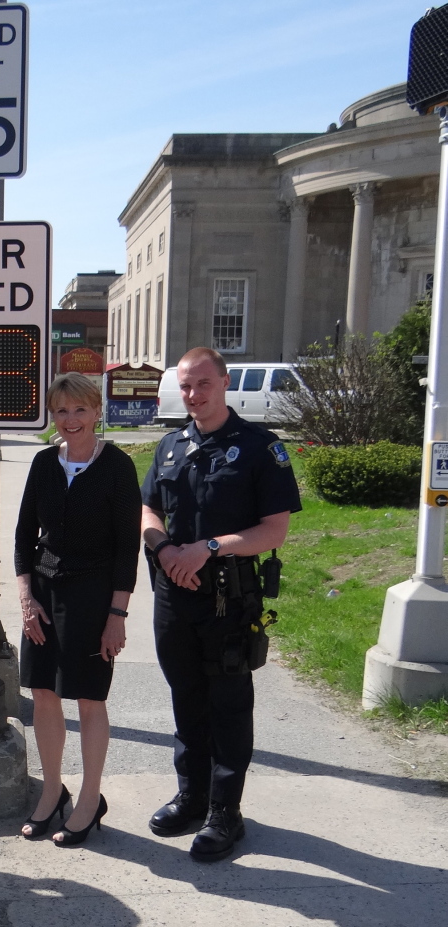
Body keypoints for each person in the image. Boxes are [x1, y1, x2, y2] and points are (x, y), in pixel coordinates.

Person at [141, 347, 301, 862]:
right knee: (185, 695)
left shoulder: (259, 448)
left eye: (203, 384)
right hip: (173, 593)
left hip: (228, 597)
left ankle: (226, 813)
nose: (193, 395)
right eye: (185, 386)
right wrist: (167, 550)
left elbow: (274, 530)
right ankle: (193, 796)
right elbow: (148, 509)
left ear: (225, 382)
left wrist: (207, 547)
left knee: (228, 704)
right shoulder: (170, 446)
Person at [15, 372, 142, 847]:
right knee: (44, 694)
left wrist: (118, 616)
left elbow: (127, 549)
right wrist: (26, 599)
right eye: (62, 411)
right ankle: (52, 790)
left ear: (97, 411)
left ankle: (90, 798)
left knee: (90, 698)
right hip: (45, 595)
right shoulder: (44, 463)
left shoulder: (118, 467)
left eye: (80, 410)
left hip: (94, 598)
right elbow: (24, 538)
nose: (70, 420)